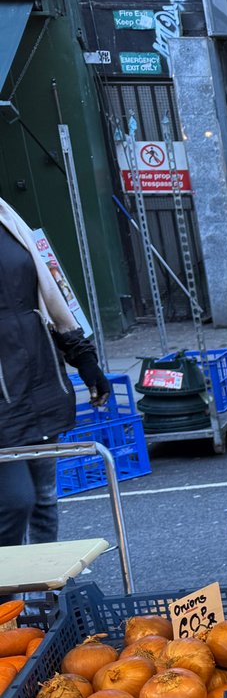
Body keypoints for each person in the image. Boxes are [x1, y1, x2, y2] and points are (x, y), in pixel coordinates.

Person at [0, 194, 111, 546]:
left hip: (39, 378)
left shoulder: (5, 215)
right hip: (3, 395)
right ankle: (8, 595)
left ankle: (43, 599)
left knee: (45, 497)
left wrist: (85, 360)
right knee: (16, 502)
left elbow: (48, 297)